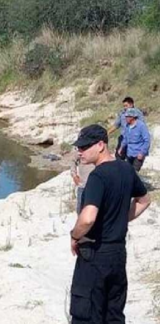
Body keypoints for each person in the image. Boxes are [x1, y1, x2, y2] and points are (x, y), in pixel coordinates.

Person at [69, 124, 150, 324]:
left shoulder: (97, 176)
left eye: (85, 147)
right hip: (118, 256)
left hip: (95, 254)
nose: (80, 151)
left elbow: (88, 218)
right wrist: (122, 218)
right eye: (79, 147)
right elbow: (144, 200)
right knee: (113, 315)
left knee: (87, 315)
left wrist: (75, 236)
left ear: (100, 145)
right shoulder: (125, 168)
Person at [122, 108, 151, 172]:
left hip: (138, 154)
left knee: (134, 172)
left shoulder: (141, 126)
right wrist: (121, 147)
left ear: (132, 117)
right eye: (126, 116)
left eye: (127, 117)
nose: (126, 118)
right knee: (128, 171)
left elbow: (147, 140)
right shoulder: (127, 126)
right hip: (129, 153)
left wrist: (142, 152)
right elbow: (125, 138)